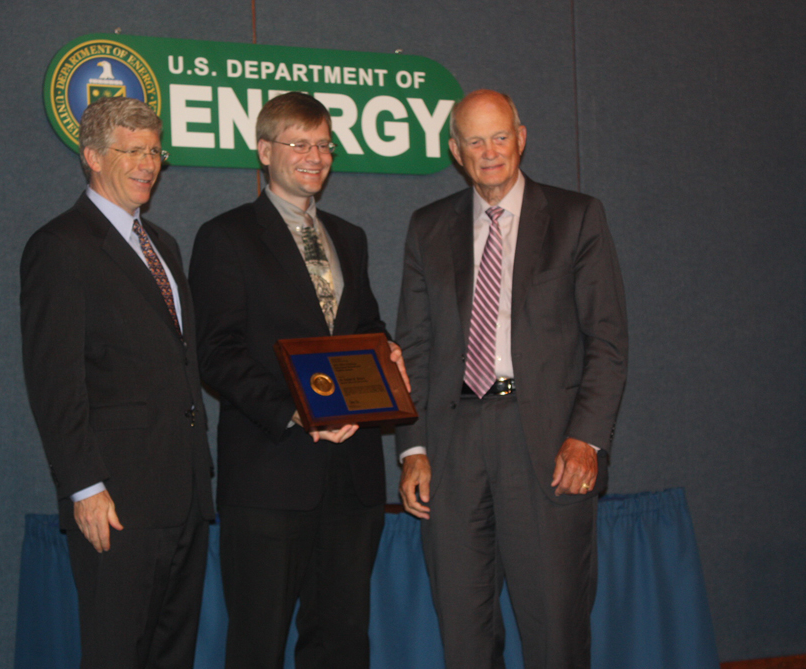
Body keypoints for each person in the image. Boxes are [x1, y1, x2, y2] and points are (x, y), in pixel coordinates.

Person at [396, 89, 628, 669]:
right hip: (452, 448)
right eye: (474, 140)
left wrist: (588, 438)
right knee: (464, 635)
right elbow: (416, 349)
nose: (489, 151)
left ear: (521, 139)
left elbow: (607, 341)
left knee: (555, 631)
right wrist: (414, 448)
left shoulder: (577, 218)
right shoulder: (427, 227)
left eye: (500, 136)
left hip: (548, 445)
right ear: (455, 151)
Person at [188, 91, 408, 669]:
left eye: (323, 145)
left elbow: (365, 327)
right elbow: (216, 352)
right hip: (270, 476)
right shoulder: (225, 236)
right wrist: (298, 412)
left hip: (352, 478)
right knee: (257, 645)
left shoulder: (350, 237)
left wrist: (387, 355)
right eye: (298, 144)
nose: (315, 156)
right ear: (264, 151)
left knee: (341, 643)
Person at [20, 96, 214, 669]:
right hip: (116, 500)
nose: (147, 163)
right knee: (115, 653)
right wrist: (84, 486)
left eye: (154, 151)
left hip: (184, 496)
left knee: (171, 654)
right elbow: (54, 378)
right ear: (91, 157)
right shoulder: (60, 246)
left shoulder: (165, 246)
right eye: (131, 151)